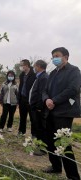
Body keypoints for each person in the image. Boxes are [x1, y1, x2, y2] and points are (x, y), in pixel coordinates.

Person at [42, 47, 80, 179]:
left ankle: (73, 176)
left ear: (66, 57)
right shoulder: (53, 73)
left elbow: (72, 89)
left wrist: (54, 101)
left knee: (63, 142)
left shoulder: (74, 71)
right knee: (50, 141)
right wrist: (46, 99)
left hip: (64, 112)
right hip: (50, 111)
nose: (54, 59)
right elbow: (45, 90)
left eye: (57, 55)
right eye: (53, 56)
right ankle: (55, 167)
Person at [29, 60, 48, 156]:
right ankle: (39, 145)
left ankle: (42, 149)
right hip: (35, 107)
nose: (34, 67)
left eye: (35, 66)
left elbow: (42, 93)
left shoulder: (44, 77)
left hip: (39, 108)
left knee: (41, 128)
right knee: (38, 127)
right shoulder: (39, 76)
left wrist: (39, 107)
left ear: (39, 66)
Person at [18, 59, 36, 136]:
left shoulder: (34, 74)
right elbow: (20, 87)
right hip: (22, 98)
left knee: (33, 118)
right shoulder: (21, 75)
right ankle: (21, 131)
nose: (21, 67)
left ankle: (34, 134)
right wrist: (19, 99)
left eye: (22, 65)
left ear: (27, 65)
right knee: (22, 117)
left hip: (31, 99)